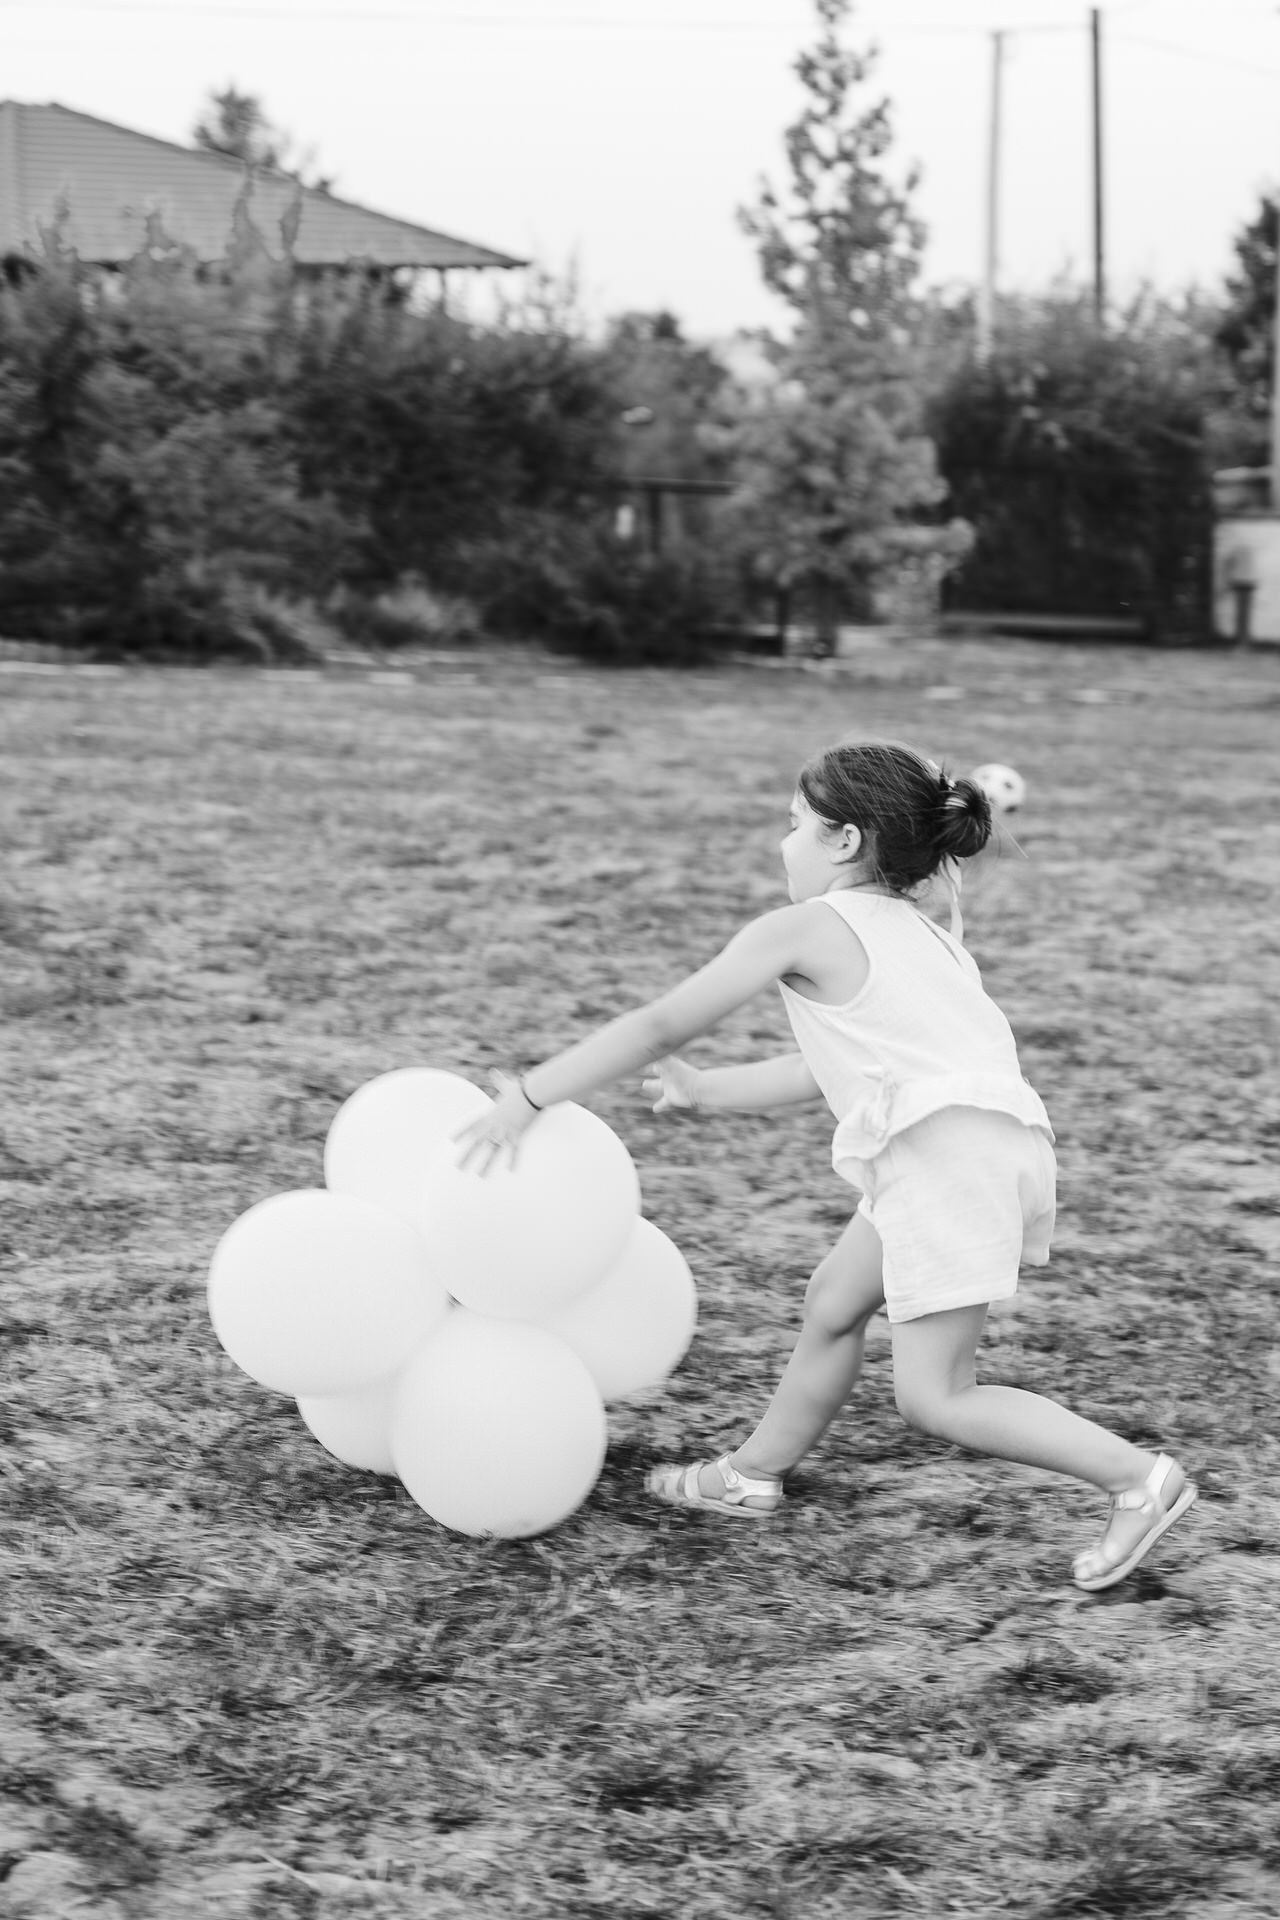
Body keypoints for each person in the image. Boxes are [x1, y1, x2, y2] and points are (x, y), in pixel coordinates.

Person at [453, 740, 1196, 1591]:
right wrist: (707, 1092)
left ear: (844, 841)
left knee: (936, 1396)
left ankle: (1136, 1479)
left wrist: (532, 1096)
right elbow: (829, 1068)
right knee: (836, 1304)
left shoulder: (806, 927)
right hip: (977, 1145)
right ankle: (752, 1473)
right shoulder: (925, 934)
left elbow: (660, 1023)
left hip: (944, 1161)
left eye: (794, 824)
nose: (784, 842)